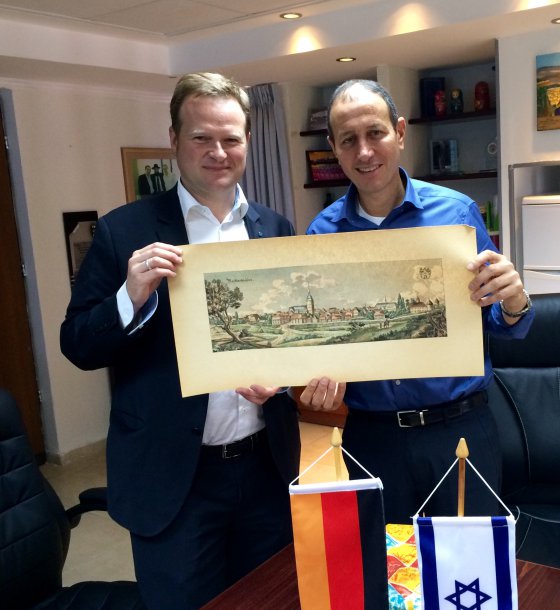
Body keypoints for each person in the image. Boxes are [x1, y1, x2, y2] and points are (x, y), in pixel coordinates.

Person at [60, 72, 300, 610]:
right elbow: (77, 344)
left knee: (268, 600)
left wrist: (285, 382)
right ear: (174, 139)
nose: (218, 152)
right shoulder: (124, 231)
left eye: (230, 138)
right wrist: (130, 296)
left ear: (247, 142)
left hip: (266, 468)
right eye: (201, 138)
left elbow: (289, 343)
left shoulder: (275, 228)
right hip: (173, 480)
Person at [300, 79, 534, 524]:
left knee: (470, 563)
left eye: (375, 133)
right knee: (388, 563)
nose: (364, 151)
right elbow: (323, 349)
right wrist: (315, 381)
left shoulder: (457, 214)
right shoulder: (321, 234)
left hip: (459, 432)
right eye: (348, 140)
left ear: (400, 132)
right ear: (333, 148)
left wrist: (514, 300)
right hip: (372, 439)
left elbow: (505, 325)